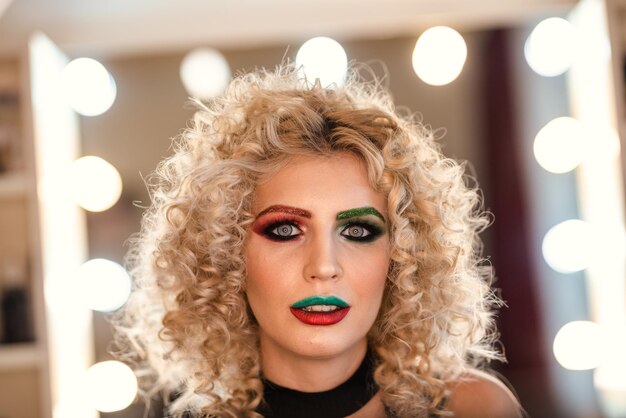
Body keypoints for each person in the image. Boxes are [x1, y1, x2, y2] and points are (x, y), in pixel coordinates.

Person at [112, 64, 523, 418]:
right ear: (225, 255)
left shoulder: (473, 407)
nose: (324, 266)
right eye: (285, 230)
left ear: (400, 256)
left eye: (358, 231)